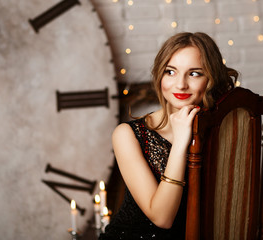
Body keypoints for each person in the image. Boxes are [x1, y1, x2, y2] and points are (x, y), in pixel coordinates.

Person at [99, 32, 238, 240]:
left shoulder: (225, 129)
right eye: (170, 72)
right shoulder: (127, 135)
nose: (180, 84)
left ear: (211, 78)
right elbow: (162, 218)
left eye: (194, 73)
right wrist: (181, 142)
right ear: (159, 76)